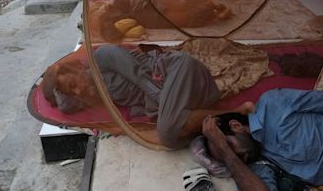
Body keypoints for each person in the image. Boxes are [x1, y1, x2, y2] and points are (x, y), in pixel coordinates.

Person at [42, 45, 250, 148]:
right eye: (71, 92)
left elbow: (144, 79)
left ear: (78, 67)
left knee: (167, 131)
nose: (77, 92)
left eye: (73, 84)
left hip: (177, 72)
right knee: (170, 131)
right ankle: (231, 115)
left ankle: (235, 112)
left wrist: (167, 108)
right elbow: (65, 106)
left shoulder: (102, 57)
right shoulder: (90, 92)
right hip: (177, 97)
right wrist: (55, 89)